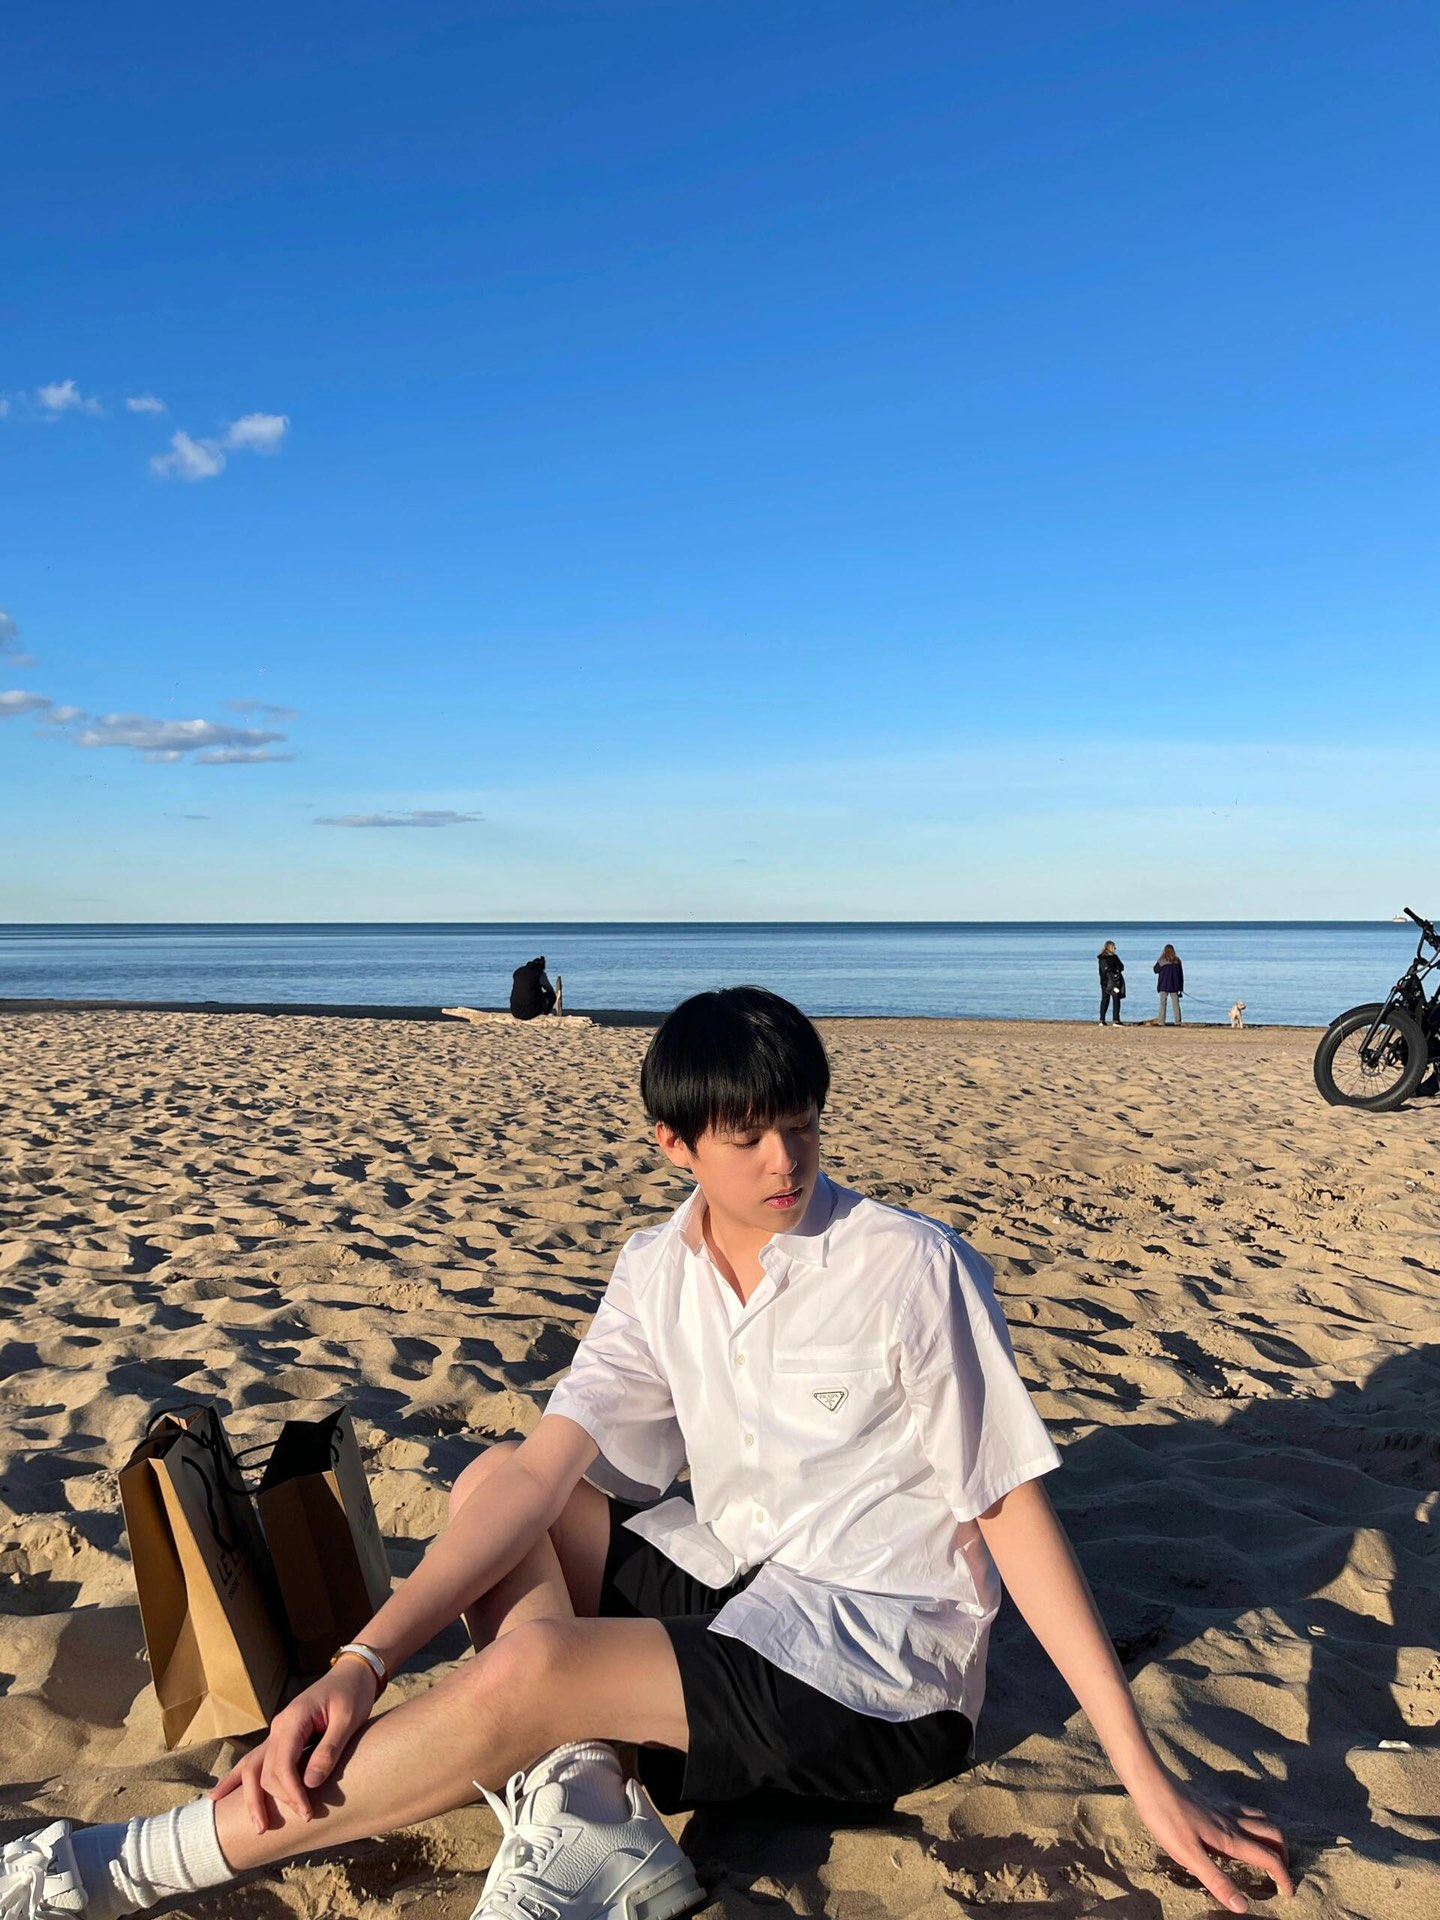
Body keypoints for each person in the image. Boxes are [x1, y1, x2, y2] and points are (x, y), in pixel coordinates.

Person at [0, 987, 1291, 1920]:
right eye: (748, 1136)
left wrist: (1146, 1778)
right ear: (675, 1144)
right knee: (502, 1481)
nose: (785, 1161)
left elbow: (1008, 1508)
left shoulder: (910, 1268)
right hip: (735, 1582)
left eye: (802, 1126)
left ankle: (123, 1866)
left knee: (536, 1665)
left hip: (876, 1670)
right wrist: (361, 1663)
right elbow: (547, 1472)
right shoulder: (655, 1269)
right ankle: (584, 1801)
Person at [510, 955, 557, 1021]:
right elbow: (549, 988)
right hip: (530, 1012)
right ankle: (546, 1014)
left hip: (515, 1010)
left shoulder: (518, 972)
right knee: (551, 995)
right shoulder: (539, 973)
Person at [1154, 944, 1185, 1025]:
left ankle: (1161, 1021)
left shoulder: (1162, 960)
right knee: (1176, 1003)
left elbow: (1155, 970)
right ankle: (1178, 1021)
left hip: (1163, 984)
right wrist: (1181, 987)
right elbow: (1180, 975)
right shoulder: (1177, 961)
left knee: (1162, 1003)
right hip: (1174, 985)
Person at [1097, 940, 1126, 1025]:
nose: (1115, 949)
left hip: (1104, 982)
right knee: (1116, 999)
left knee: (1105, 1000)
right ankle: (1116, 1020)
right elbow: (1121, 967)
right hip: (1114, 983)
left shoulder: (1101, 958)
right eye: (1114, 947)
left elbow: (1101, 972)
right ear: (1111, 948)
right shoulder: (1114, 957)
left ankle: (1102, 1020)